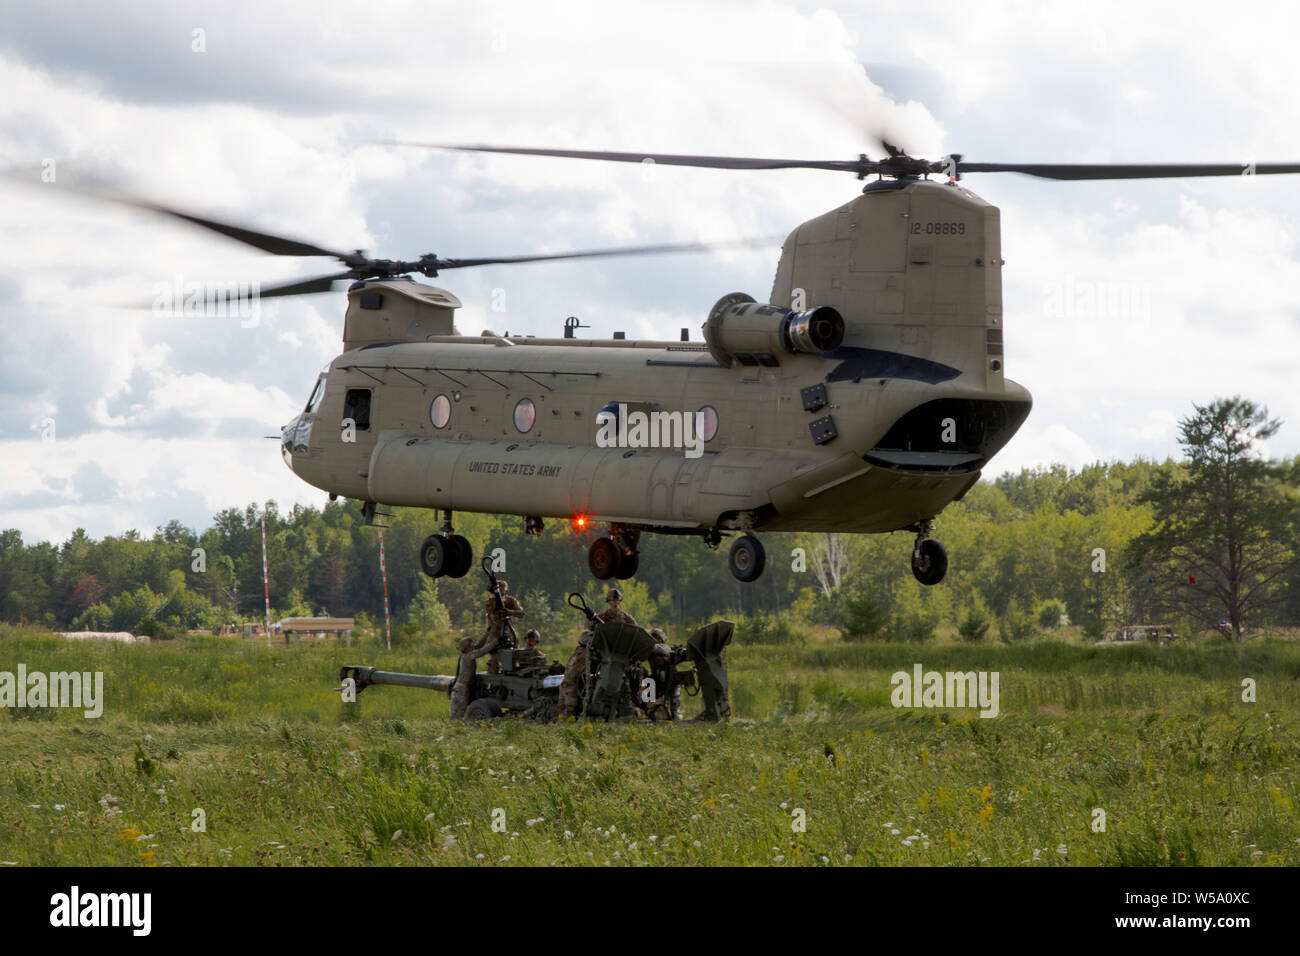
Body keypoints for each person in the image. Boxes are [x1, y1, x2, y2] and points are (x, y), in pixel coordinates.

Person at [480, 579, 524, 674]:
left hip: (509, 633)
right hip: (495, 633)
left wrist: (509, 611)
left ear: (506, 590)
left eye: (502, 587)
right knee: (494, 658)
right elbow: (490, 610)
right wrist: (495, 598)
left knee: (514, 655)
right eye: (498, 587)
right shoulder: (490, 601)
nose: (500, 589)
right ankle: (493, 678)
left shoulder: (511, 600)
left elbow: (521, 613)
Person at [450, 636, 493, 719]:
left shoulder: (467, 653)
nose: (473, 646)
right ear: (466, 648)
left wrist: (486, 634)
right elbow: (482, 651)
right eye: (471, 645)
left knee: (458, 715)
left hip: (461, 689)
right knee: (457, 716)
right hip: (461, 690)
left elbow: (479, 645)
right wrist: (496, 642)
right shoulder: (468, 656)